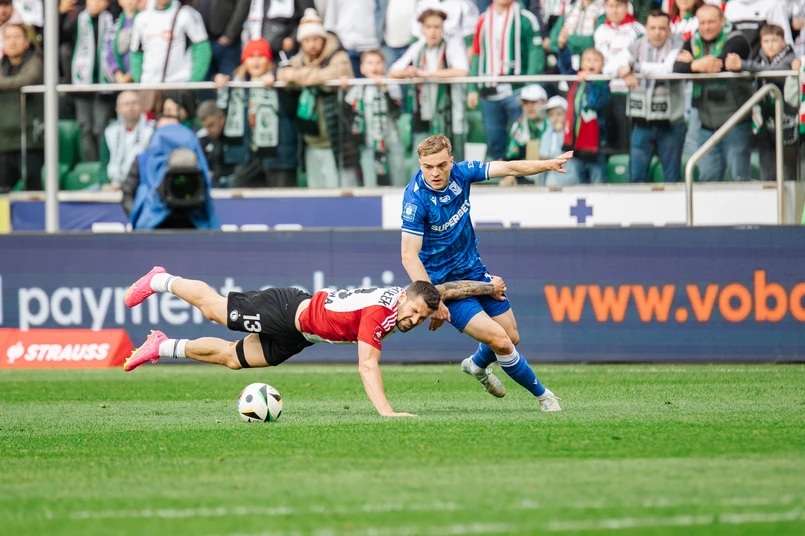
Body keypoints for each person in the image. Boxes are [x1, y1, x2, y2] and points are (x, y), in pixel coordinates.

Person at [122, 266, 508, 417]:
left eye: (421, 318)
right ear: (404, 298)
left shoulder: (413, 298)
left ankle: (161, 345)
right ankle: (160, 279)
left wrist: (486, 287)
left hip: (301, 335)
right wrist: (387, 413)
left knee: (232, 358)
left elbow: (445, 290)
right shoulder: (380, 313)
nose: (414, 320)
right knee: (213, 310)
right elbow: (367, 365)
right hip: (286, 310)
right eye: (414, 312)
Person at [399, 134, 569, 412]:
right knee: (501, 341)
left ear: (451, 161)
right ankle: (545, 397)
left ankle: (476, 365)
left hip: (475, 271)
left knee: (511, 336)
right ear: (420, 164)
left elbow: (509, 167)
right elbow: (409, 255)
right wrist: (433, 300)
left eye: (441, 165)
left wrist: (548, 165)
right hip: (447, 287)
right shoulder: (415, 200)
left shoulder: (463, 173)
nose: (435, 173)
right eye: (428, 167)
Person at [618, 9, 686, 183]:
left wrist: (634, 67)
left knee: (672, 179)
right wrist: (622, 70)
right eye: (653, 28)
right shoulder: (636, 44)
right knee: (635, 179)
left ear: (669, 29)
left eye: (662, 28)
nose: (657, 32)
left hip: (670, 124)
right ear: (646, 28)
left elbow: (667, 69)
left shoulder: (677, 43)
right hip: (642, 123)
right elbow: (613, 65)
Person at [725, 23, 798, 182]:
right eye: (766, 41)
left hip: (788, 120)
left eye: (774, 40)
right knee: (767, 169)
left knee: (789, 173)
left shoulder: (790, 58)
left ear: (783, 42)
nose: (770, 45)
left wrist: (743, 65)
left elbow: (776, 72)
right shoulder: (759, 58)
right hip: (766, 120)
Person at [122, 114, 220, 229]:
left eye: (175, 130)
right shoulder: (142, 161)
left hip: (194, 226)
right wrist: (140, 215)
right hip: (152, 228)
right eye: (163, 130)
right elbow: (127, 194)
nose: (169, 135)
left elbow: (206, 195)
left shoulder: (197, 162)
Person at [345, 49, 406, 187]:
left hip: (391, 139)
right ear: (362, 68)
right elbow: (347, 110)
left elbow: (396, 111)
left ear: (384, 66)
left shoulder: (391, 85)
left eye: (378, 63)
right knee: (370, 178)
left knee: (397, 174)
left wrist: (384, 88)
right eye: (370, 63)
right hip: (368, 141)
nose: (374, 67)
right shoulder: (357, 88)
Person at [558, 46, 611, 184]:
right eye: (587, 60)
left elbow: (595, 103)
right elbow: (565, 66)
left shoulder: (603, 84)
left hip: (596, 146)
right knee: (579, 182)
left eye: (595, 60)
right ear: (581, 64)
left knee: (597, 180)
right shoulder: (576, 81)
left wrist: (590, 81)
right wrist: (563, 49)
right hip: (575, 143)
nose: (591, 63)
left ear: (602, 65)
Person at [100, 89, 155, 189]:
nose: (131, 107)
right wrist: (105, 183)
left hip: (140, 186)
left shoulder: (151, 131)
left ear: (141, 107)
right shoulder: (110, 131)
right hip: (112, 184)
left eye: (134, 103)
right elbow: (104, 164)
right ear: (118, 109)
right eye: (126, 104)